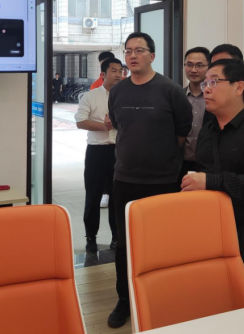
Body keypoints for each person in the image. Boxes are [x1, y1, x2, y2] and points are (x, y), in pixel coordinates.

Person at [107, 32, 192, 328]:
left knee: (160, 242)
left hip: (163, 180)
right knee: (123, 243)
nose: (132, 55)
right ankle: (124, 299)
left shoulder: (170, 90)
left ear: (152, 56)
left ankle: (159, 295)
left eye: (139, 50)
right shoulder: (118, 91)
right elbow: (119, 126)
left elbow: (182, 132)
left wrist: (163, 158)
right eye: (128, 50)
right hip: (124, 178)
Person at [182, 58, 244, 302]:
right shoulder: (208, 130)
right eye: (205, 83)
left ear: (239, 87)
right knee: (215, 299)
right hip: (212, 230)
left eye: (213, 82)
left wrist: (211, 182)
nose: (206, 89)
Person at [75, 57, 124, 253]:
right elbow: (80, 121)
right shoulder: (91, 96)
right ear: (103, 74)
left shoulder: (127, 96)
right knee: (93, 196)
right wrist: (103, 126)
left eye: (120, 71)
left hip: (120, 151)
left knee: (117, 198)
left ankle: (116, 238)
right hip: (96, 152)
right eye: (114, 70)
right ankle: (91, 238)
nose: (118, 74)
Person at [181, 46, 210, 177]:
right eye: (189, 65)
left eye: (199, 65)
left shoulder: (214, 97)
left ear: (209, 67)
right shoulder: (178, 96)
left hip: (209, 164)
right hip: (181, 163)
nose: (193, 70)